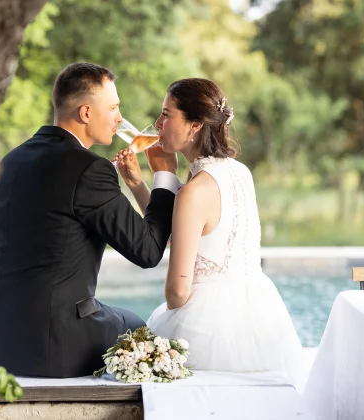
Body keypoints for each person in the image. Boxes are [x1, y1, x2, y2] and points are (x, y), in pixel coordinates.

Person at [0, 62, 180, 378]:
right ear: (86, 113)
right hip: (52, 342)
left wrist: (134, 183)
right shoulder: (90, 169)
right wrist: (165, 175)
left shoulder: (9, 162)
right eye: (114, 107)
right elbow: (147, 250)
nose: (120, 118)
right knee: (140, 329)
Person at [114, 78, 304, 386]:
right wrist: (139, 183)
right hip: (257, 312)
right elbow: (189, 229)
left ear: (195, 124)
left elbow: (177, 294)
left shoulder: (195, 191)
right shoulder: (240, 173)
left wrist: (164, 174)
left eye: (166, 114)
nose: (157, 124)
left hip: (207, 326)